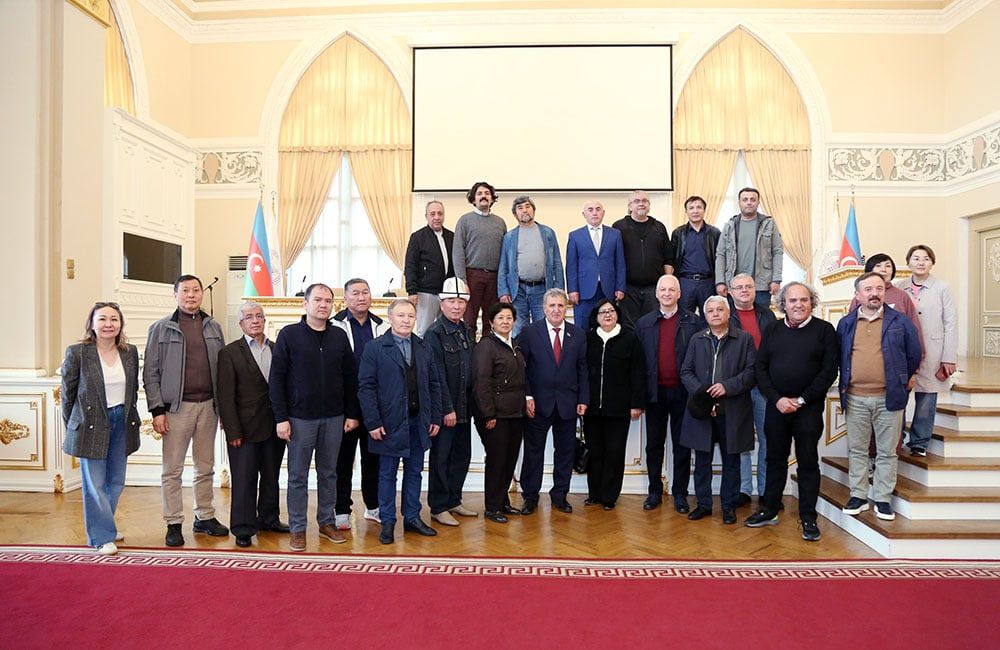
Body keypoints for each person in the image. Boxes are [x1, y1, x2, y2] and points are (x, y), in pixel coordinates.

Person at [270, 283, 361, 551]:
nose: (323, 305)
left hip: (334, 418)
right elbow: (277, 379)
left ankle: (326, 522)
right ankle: (298, 528)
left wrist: (352, 414)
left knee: (329, 473)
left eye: (328, 301)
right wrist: (281, 417)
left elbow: (350, 377)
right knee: (297, 476)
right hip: (299, 419)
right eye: (318, 300)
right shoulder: (289, 335)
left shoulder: (339, 337)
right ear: (305, 304)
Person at [745, 283, 839, 541]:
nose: (798, 304)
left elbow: (829, 371)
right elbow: (760, 368)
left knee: (808, 462)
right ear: (782, 304)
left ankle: (808, 517)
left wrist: (801, 399)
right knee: (774, 459)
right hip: (776, 407)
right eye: (792, 300)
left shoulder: (824, 330)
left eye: (804, 300)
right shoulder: (773, 329)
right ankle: (770, 510)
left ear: (812, 302)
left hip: (807, 408)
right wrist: (776, 399)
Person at [143, 274, 228, 547]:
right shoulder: (161, 328)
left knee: (205, 467)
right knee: (173, 470)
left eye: (196, 290)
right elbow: (151, 372)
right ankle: (174, 521)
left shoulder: (213, 327)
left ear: (202, 294)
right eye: (185, 291)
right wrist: (157, 410)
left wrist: (224, 408)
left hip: (208, 408)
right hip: (176, 410)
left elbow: (223, 371)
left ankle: (204, 516)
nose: (191, 295)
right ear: (175, 295)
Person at [837, 272, 921, 522]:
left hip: (889, 398)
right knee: (858, 449)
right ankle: (859, 495)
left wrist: (903, 376)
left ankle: (883, 498)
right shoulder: (846, 323)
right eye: (868, 289)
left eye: (879, 289)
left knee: (887, 452)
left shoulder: (900, 321)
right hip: (855, 398)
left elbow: (914, 353)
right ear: (857, 295)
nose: (874, 293)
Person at [359, 299, 443, 545]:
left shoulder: (424, 347)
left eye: (410, 316)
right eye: (401, 315)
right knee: (387, 475)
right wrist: (373, 422)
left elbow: (434, 385)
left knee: (415, 471)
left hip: (418, 422)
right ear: (390, 318)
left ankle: (412, 518)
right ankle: (387, 521)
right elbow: (366, 387)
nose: (406, 320)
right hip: (388, 424)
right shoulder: (375, 348)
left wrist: (435, 416)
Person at [61, 302, 141, 555]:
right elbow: (68, 394)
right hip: (91, 423)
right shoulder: (78, 353)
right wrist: (74, 424)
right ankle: (101, 536)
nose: (108, 324)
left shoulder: (129, 352)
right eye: (103, 319)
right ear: (92, 324)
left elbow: (133, 391)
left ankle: (106, 525)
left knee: (115, 481)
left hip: (121, 420)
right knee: (95, 483)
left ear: (120, 324)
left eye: (114, 319)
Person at [216, 301, 288, 548]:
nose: (255, 320)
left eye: (259, 316)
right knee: (245, 479)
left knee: (271, 476)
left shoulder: (278, 349)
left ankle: (268, 519)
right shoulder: (229, 353)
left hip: (274, 427)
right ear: (241, 323)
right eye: (249, 317)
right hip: (243, 430)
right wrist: (232, 430)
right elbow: (225, 396)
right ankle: (243, 528)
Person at [679, 296, 757, 525]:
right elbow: (686, 372)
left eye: (719, 309)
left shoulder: (744, 339)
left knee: (731, 461)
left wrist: (726, 387)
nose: (715, 313)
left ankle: (728, 506)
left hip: (732, 410)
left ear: (728, 312)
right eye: (710, 310)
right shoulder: (696, 339)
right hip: (703, 411)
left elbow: (751, 372)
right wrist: (705, 395)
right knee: (702, 461)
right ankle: (703, 505)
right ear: (705, 315)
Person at [634, 274, 704, 512]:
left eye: (671, 290)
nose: (666, 294)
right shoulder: (644, 323)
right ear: (656, 293)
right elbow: (638, 364)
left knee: (682, 446)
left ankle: (680, 494)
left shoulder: (694, 322)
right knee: (654, 445)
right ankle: (654, 491)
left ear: (679, 293)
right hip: (655, 395)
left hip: (683, 394)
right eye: (662, 290)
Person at [517, 288, 589, 514]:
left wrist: (583, 399)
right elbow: (522, 368)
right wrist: (527, 396)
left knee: (565, 452)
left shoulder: (578, 334)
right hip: (537, 405)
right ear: (544, 308)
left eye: (560, 305)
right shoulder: (529, 332)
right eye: (552, 305)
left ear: (566, 307)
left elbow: (583, 369)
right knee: (533, 452)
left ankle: (560, 495)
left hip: (568, 404)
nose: (556, 310)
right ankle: (530, 497)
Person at [332, 278, 389, 530]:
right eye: (354, 293)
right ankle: (341, 509)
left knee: (373, 458)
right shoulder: (334, 325)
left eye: (365, 292)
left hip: (375, 405)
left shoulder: (382, 326)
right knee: (342, 459)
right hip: (344, 404)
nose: (361, 297)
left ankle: (373, 506)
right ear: (345, 299)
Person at [422, 278, 478, 526]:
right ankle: (439, 506)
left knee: (461, 455)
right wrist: (447, 408)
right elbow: (436, 376)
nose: (456, 306)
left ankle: (454, 499)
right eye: (451, 301)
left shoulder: (466, 330)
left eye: (460, 301)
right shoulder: (434, 333)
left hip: (465, 406)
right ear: (441, 304)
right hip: (447, 408)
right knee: (441, 458)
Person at [584, 299, 646, 509]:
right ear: (596, 316)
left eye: (611, 311)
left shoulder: (629, 338)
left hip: (619, 408)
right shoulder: (589, 338)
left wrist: (637, 403)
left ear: (617, 314)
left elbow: (638, 373)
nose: (607, 315)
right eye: (602, 312)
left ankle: (609, 497)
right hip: (591, 408)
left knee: (614, 452)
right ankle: (595, 493)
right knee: (595, 451)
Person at [472, 302, 528, 523]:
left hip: (515, 414)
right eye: (500, 318)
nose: (505, 322)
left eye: (509, 318)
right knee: (496, 461)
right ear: (491, 322)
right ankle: (492, 507)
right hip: (495, 415)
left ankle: (502, 501)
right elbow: (481, 383)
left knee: (509, 459)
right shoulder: (486, 346)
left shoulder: (514, 344)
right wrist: (488, 415)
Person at [898, 244, 957, 457]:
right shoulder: (899, 286)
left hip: (933, 348)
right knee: (900, 394)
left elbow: (950, 323)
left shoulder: (942, 287)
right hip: (905, 349)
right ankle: (897, 438)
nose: (921, 262)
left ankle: (919, 442)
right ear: (908, 262)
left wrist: (949, 357)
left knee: (927, 396)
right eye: (916, 258)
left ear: (932, 262)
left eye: (925, 259)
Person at [727, 273, 776, 506]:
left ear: (756, 290)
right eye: (739, 287)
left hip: (763, 387)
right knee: (741, 441)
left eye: (749, 286)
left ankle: (766, 491)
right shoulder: (725, 315)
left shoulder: (767, 314)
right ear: (730, 292)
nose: (744, 290)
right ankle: (743, 490)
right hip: (737, 386)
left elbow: (777, 350)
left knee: (767, 439)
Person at [497, 195, 565, 337]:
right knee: (518, 330)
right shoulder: (509, 237)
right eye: (520, 208)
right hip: (518, 291)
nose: (524, 210)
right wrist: (503, 291)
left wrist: (559, 290)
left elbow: (557, 263)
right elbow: (503, 266)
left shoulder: (547, 233)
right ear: (515, 214)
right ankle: (520, 359)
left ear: (534, 210)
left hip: (542, 290)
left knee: (543, 330)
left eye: (527, 206)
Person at [452, 181, 507, 335]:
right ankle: (469, 355)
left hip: (494, 277)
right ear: (473, 199)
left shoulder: (500, 222)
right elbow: (457, 252)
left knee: (491, 320)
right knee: (469, 319)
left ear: (492, 198)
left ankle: (488, 354)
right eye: (480, 193)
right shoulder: (465, 220)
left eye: (487, 193)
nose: (484, 196)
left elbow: (505, 254)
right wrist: (462, 280)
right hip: (472, 276)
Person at [715, 187, 783, 309]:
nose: (749, 202)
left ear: (758, 202)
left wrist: (776, 279)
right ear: (739, 202)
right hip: (734, 286)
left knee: (761, 321)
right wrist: (720, 282)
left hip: (762, 285)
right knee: (734, 322)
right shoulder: (730, 226)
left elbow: (777, 251)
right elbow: (720, 255)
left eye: (753, 199)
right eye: (745, 199)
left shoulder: (768, 224)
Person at [612, 190, 674, 325]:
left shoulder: (659, 227)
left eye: (644, 201)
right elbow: (613, 259)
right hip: (627, 289)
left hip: (653, 289)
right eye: (637, 201)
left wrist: (667, 282)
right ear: (630, 206)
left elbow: (668, 257)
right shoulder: (618, 227)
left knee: (653, 326)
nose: (641, 204)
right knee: (629, 328)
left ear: (649, 205)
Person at [566, 200, 626, 328]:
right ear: (584, 214)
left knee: (607, 327)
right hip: (583, 291)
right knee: (583, 327)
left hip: (608, 289)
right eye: (590, 210)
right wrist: (572, 290)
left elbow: (620, 263)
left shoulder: (615, 234)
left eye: (598, 209)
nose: (594, 213)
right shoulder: (575, 236)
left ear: (603, 213)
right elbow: (571, 266)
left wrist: (620, 287)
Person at [404, 200, 455, 336]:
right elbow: (410, 265)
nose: (436, 217)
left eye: (440, 214)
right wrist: (412, 291)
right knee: (424, 331)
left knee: (445, 331)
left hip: (446, 293)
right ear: (426, 216)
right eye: (432, 214)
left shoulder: (452, 237)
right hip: (425, 293)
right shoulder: (417, 237)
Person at [671, 195, 721, 316]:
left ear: (704, 210)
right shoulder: (678, 233)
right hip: (685, 282)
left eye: (699, 207)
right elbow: (672, 259)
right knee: (684, 318)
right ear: (686, 211)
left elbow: (720, 259)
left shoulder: (714, 233)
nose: (695, 211)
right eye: (691, 208)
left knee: (710, 317)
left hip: (708, 282)